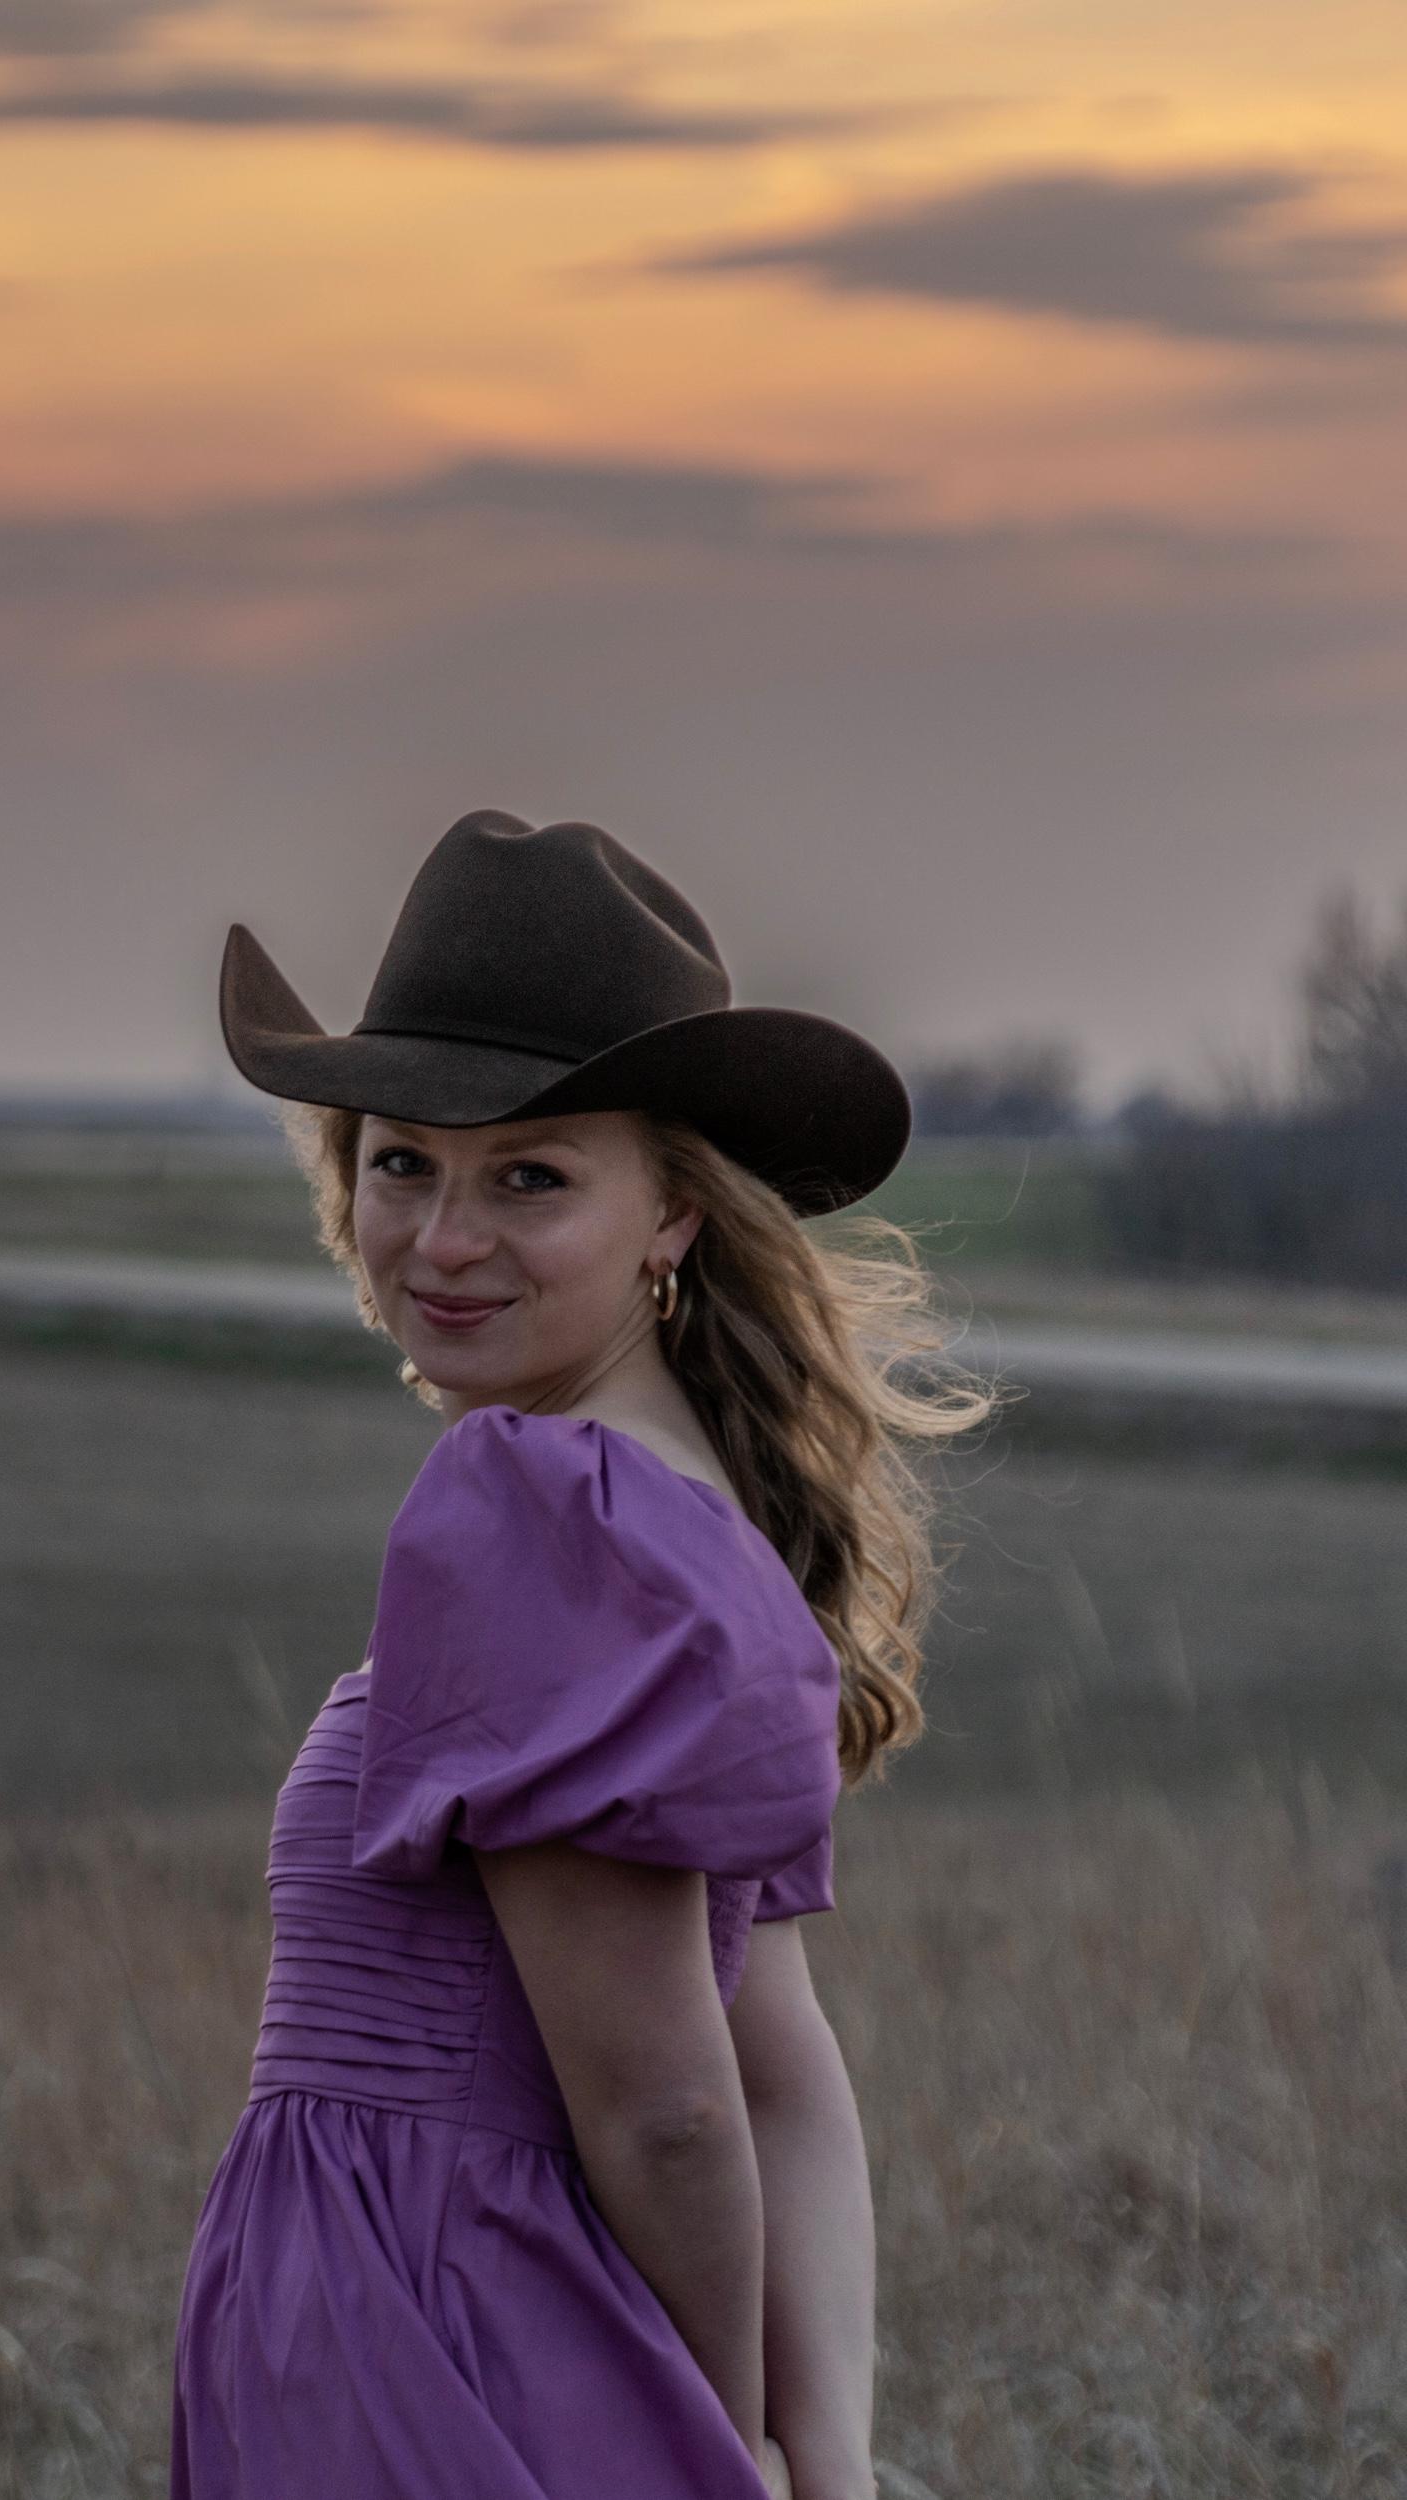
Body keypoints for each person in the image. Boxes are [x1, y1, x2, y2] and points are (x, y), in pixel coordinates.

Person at [171, 809, 996, 2500]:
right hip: (495, 2339)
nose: (442, 1238)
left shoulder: (535, 1508)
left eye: (531, 1177)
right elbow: (786, 2073)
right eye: (404, 1162)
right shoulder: (692, 1525)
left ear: (673, 1212)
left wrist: (709, 2444)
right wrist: (820, 2454)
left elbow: (675, 2110)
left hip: (432, 2349)